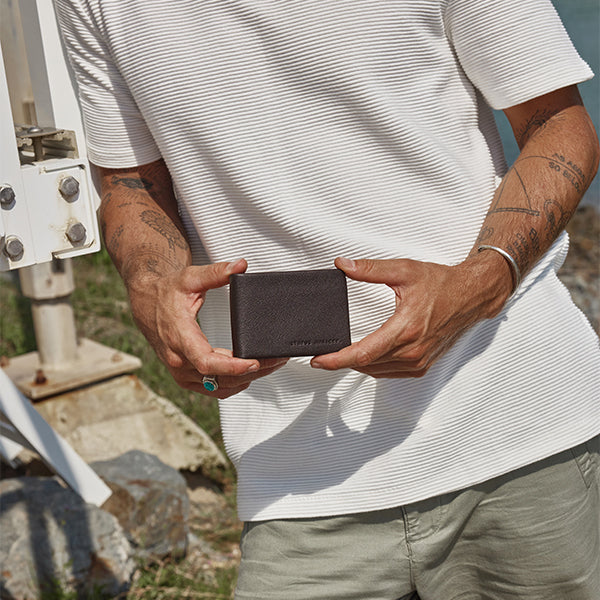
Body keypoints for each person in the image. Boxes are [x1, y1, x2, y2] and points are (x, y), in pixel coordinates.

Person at [54, 0, 599, 597]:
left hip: (521, 427)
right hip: (292, 470)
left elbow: (559, 124)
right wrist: (153, 292)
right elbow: (130, 182)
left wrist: (482, 284)